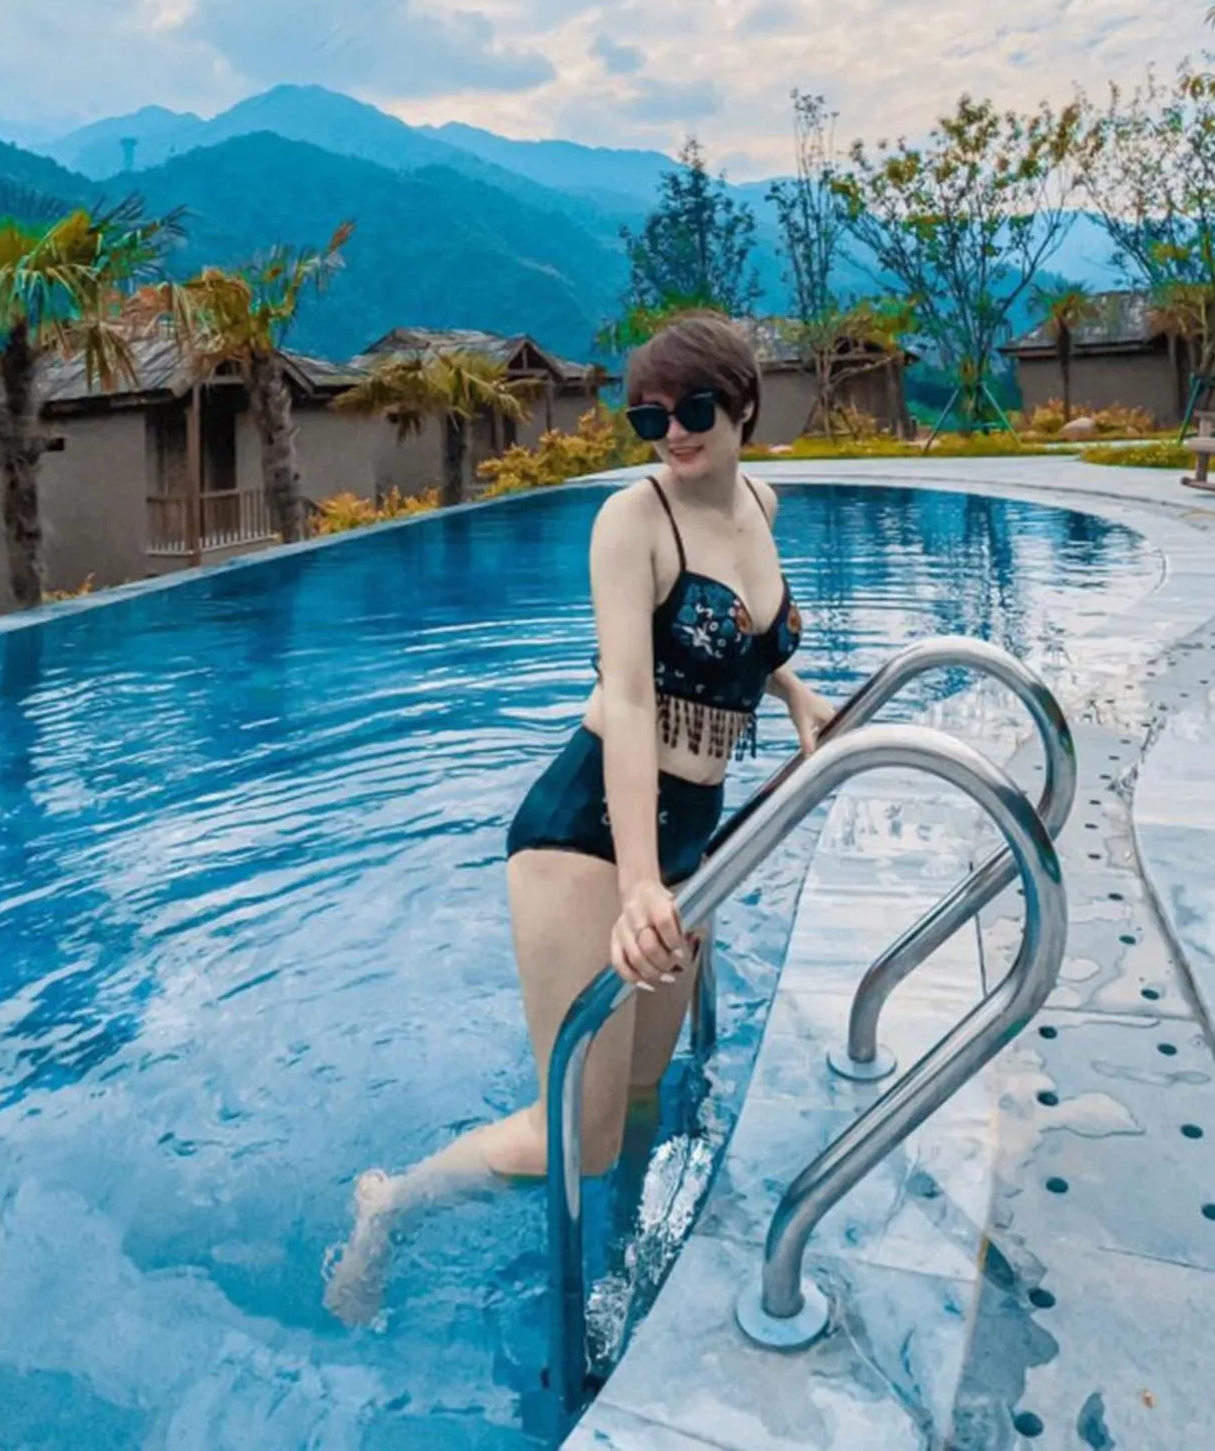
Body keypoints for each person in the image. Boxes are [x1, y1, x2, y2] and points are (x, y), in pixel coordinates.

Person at [324, 312, 836, 1323]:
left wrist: (797, 696)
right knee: (583, 1132)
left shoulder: (759, 506)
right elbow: (635, 697)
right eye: (650, 417)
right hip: (592, 831)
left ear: (741, 406)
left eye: (693, 411)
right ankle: (393, 1203)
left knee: (647, 1091)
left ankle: (634, 1273)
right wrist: (641, 882)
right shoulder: (632, 525)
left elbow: (744, 640)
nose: (674, 435)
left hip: (688, 832)